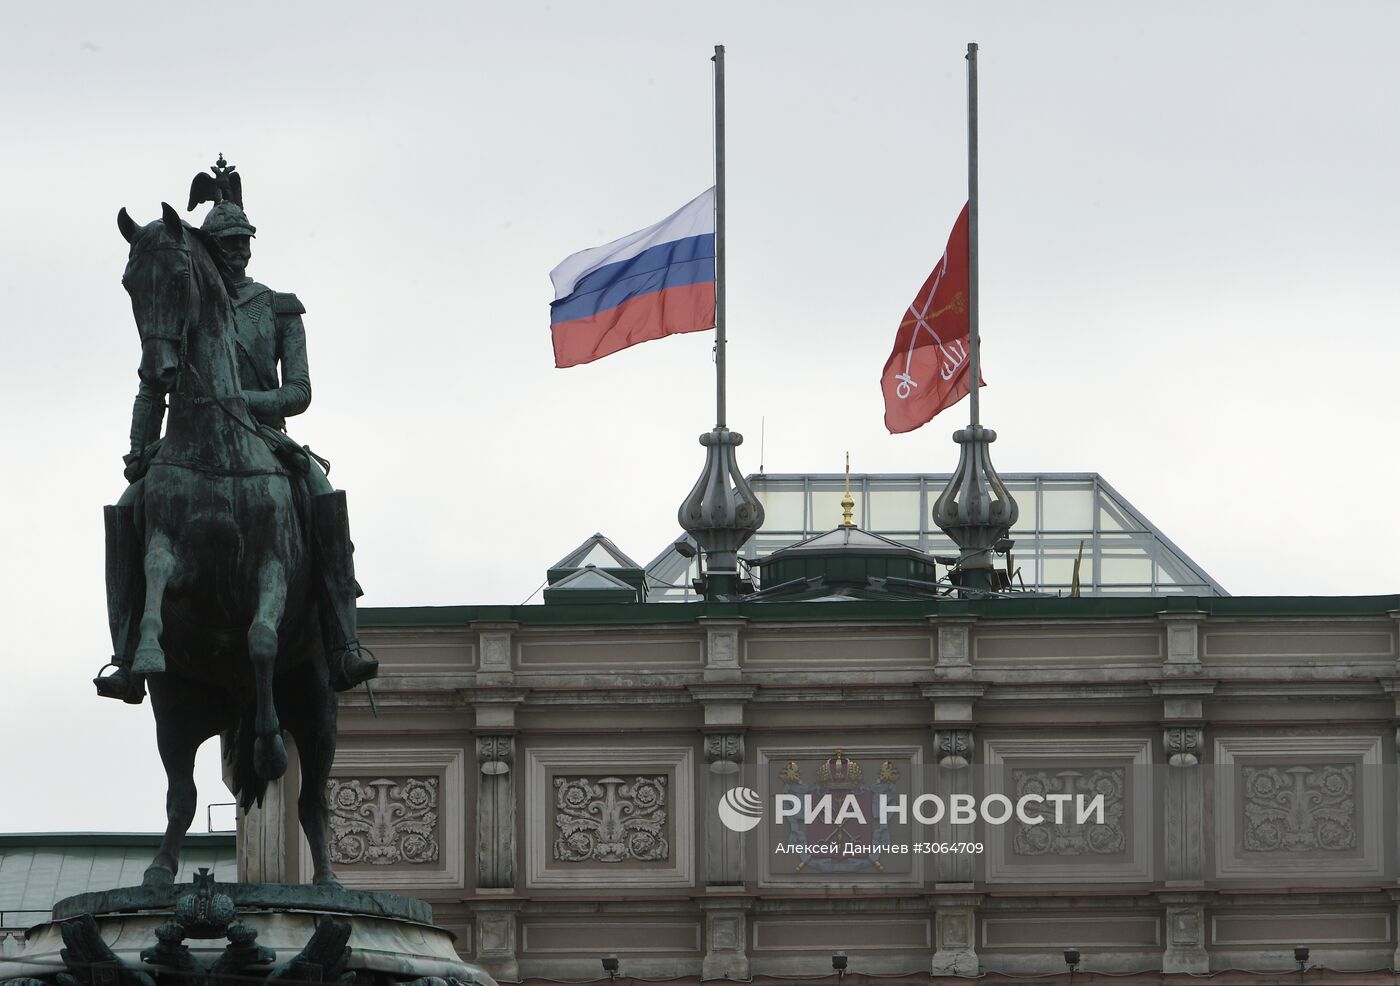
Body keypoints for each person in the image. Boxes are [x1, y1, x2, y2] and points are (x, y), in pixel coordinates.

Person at [96, 197, 377, 702]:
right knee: (128, 508)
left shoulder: (276, 306)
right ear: (208, 250)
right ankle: (124, 653)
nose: (236, 254)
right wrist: (139, 447)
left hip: (263, 436)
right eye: (226, 244)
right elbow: (152, 381)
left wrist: (237, 401)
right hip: (186, 441)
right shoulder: (183, 304)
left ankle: (344, 643)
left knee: (323, 493)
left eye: (243, 243)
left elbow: (299, 391)